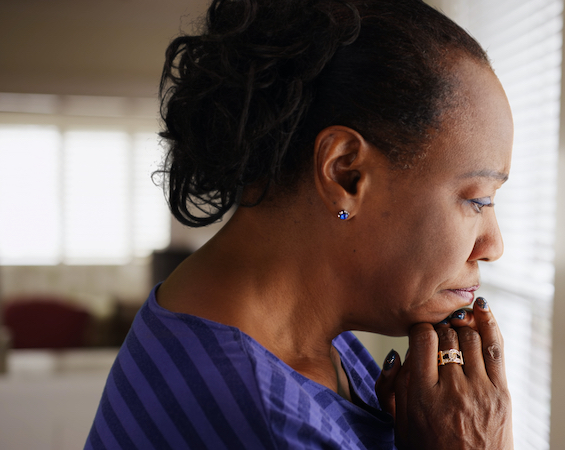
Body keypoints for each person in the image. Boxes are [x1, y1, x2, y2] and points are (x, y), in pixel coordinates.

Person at [86, 0, 514, 448]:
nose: (493, 245)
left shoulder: (265, 324)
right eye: (478, 200)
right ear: (346, 173)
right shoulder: (269, 422)